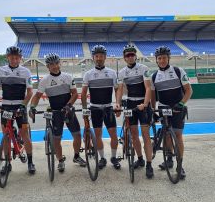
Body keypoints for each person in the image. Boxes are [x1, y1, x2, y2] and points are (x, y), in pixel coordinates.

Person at [29, 53, 86, 172]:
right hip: (55, 113)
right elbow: (37, 96)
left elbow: (75, 94)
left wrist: (69, 105)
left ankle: (76, 156)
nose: (55, 66)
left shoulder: (68, 77)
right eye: (51, 64)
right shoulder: (44, 81)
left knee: (77, 135)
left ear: (59, 63)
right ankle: (60, 160)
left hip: (68, 110)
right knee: (56, 139)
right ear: (48, 67)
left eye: (56, 63)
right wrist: (32, 107)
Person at [150, 46, 193, 179]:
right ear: (156, 60)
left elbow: (189, 91)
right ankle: (169, 159)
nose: (162, 60)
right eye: (159, 58)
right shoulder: (154, 76)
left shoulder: (178, 71)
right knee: (167, 135)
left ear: (168, 58)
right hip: (163, 108)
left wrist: (181, 104)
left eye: (164, 58)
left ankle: (180, 165)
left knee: (178, 135)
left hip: (178, 107)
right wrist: (153, 110)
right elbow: (152, 96)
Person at [0, 46, 36, 174]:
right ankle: (7, 163)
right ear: (7, 58)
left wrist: (23, 105)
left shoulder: (26, 71)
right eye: (12, 57)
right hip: (5, 106)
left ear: (20, 58)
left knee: (24, 135)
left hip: (19, 106)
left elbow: (30, 92)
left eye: (16, 57)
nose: (14, 59)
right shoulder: (0, 70)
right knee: (6, 136)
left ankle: (30, 162)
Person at [116, 44, 154, 178]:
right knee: (133, 134)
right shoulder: (121, 72)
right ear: (124, 58)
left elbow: (148, 88)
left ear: (135, 56)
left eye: (132, 54)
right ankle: (140, 158)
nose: (130, 57)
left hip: (143, 104)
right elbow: (120, 89)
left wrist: (145, 103)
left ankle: (149, 164)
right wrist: (117, 104)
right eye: (128, 55)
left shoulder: (144, 68)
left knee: (145, 135)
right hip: (131, 104)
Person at [81, 45, 121, 170]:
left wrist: (118, 103)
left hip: (108, 107)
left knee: (113, 135)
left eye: (101, 56)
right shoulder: (88, 74)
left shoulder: (112, 73)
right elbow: (83, 94)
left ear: (105, 57)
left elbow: (117, 89)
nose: (99, 58)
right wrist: (84, 109)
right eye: (96, 56)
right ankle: (102, 158)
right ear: (93, 58)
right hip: (95, 108)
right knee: (98, 135)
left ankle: (114, 157)